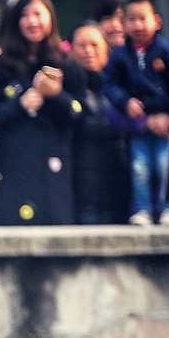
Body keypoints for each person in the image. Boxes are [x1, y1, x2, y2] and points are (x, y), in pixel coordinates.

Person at [0, 0, 86, 226]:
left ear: (50, 18)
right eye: (25, 15)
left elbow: (80, 113)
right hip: (10, 168)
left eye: (38, 14)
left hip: (54, 170)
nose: (32, 21)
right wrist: (18, 105)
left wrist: (57, 96)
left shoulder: (67, 64)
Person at [102, 0, 169, 226]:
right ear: (123, 24)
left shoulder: (168, 51)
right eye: (131, 19)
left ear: (156, 21)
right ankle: (143, 210)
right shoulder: (120, 56)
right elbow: (109, 84)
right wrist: (125, 102)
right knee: (139, 167)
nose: (138, 25)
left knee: (165, 165)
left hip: (166, 124)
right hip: (138, 125)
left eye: (143, 18)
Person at [69, 22, 131, 224]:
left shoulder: (123, 87)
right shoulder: (65, 90)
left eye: (95, 45)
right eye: (82, 45)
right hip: (81, 189)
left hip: (120, 183)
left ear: (106, 49)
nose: (89, 51)